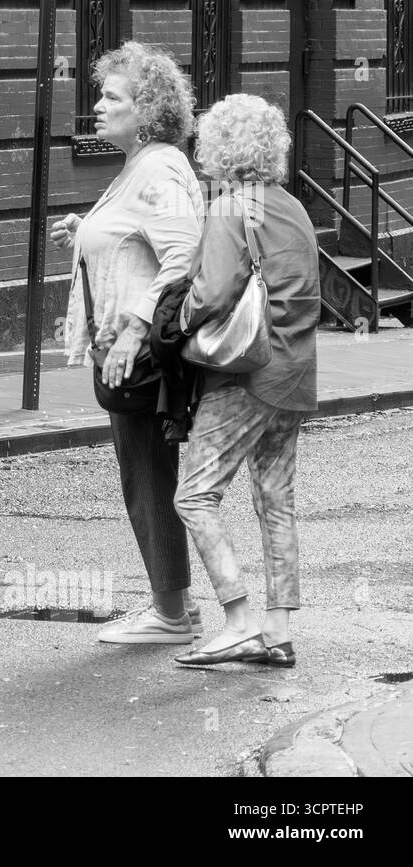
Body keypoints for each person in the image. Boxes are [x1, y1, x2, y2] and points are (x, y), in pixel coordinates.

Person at [50, 42, 204, 644]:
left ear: (147, 109)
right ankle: (177, 605)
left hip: (138, 355)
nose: (97, 105)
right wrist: (83, 231)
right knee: (145, 475)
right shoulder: (137, 167)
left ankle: (170, 613)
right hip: (124, 348)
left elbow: (182, 254)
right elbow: (136, 242)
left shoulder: (159, 167)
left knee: (147, 478)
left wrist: (133, 331)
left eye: (111, 97)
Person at [172, 94, 320, 668]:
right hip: (297, 371)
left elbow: (210, 295)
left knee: (194, 495)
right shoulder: (293, 206)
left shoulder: (230, 208)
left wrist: (172, 322)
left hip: (246, 373)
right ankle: (278, 629)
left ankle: (237, 620)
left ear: (219, 147)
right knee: (275, 499)